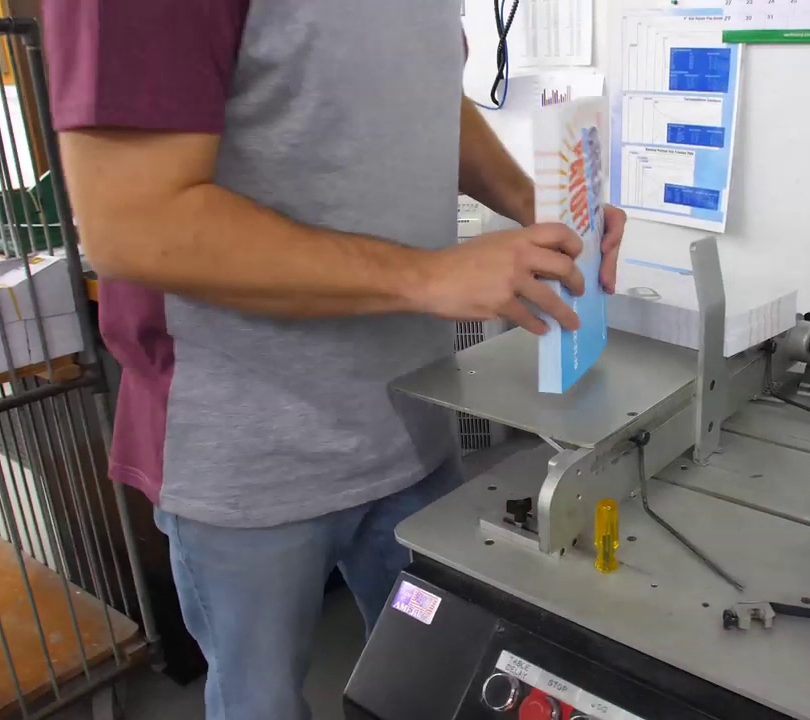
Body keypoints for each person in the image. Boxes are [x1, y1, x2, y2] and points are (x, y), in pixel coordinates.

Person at [41, 2, 625, 718]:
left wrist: (536, 203)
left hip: (411, 424)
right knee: (261, 704)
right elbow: (132, 223)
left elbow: (427, 93)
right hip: (246, 455)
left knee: (431, 686)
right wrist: (425, 276)